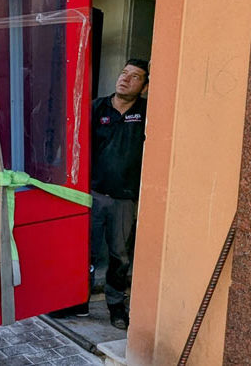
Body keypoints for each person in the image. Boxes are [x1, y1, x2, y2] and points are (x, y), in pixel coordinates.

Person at [90, 58, 149, 330]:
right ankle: (77, 299)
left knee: (120, 255)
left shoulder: (147, 112)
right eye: (124, 72)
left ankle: (115, 305)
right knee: (84, 252)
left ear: (144, 86)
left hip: (125, 198)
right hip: (92, 193)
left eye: (135, 76)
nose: (125, 78)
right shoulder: (97, 107)